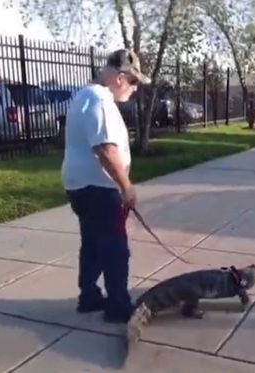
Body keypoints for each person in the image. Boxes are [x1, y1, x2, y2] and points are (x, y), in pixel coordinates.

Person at [61, 49, 151, 323]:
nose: (134, 90)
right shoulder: (98, 99)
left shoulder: (87, 95)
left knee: (92, 244)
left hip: (83, 187)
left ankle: (88, 297)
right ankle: (118, 307)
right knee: (115, 248)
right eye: (134, 83)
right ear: (121, 77)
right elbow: (105, 149)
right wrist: (126, 186)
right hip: (99, 190)